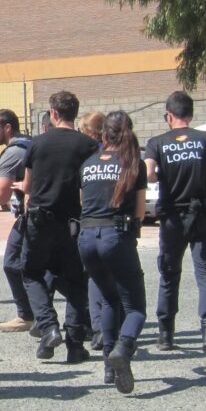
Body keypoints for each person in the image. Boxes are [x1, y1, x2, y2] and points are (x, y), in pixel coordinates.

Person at [145, 91, 206, 359]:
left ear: (169, 116)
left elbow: (148, 174)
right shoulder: (205, 139)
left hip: (171, 216)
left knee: (169, 274)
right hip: (201, 213)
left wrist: (165, 172)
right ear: (191, 115)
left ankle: (165, 334)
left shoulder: (157, 142)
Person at [20, 91, 98, 362]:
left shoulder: (37, 143)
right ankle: (75, 345)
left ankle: (48, 326)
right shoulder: (88, 145)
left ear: (53, 113)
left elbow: (27, 186)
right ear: (75, 113)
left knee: (32, 273)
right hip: (72, 222)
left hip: (39, 219)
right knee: (75, 281)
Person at [77, 111, 147, 394]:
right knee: (135, 308)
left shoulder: (88, 163)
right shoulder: (133, 164)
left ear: (104, 135)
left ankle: (108, 367)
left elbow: (84, 204)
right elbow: (140, 213)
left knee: (109, 299)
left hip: (86, 239)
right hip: (115, 237)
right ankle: (123, 347)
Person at [0, 109, 35, 332]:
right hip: (40, 213)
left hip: (31, 216)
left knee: (12, 263)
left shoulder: (12, 153)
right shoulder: (30, 143)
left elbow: (2, 196)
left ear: (8, 128)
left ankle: (28, 316)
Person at [78, 110, 107, 351]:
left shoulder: (87, 155)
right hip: (115, 223)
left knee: (94, 277)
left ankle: (98, 328)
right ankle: (108, 325)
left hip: (90, 220)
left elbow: (81, 196)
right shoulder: (117, 152)